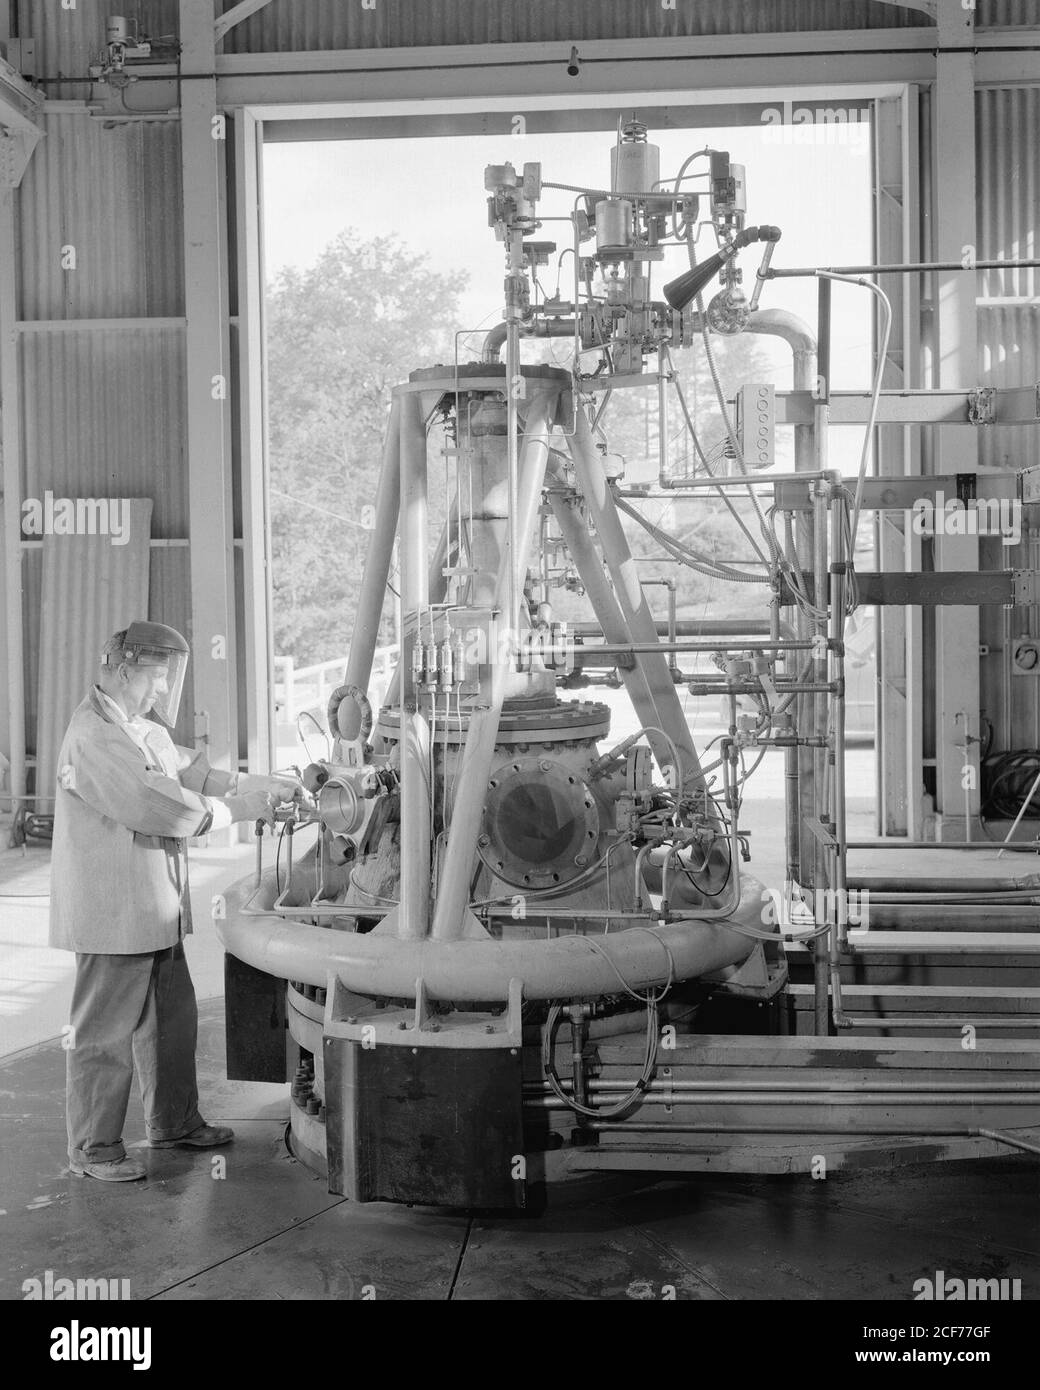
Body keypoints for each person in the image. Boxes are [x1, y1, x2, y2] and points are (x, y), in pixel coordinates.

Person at [49, 621, 309, 1182]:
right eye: (158, 676)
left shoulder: (139, 729)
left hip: (153, 909)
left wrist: (263, 782)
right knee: (105, 1034)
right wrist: (244, 809)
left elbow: (193, 772)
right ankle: (93, 1149)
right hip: (112, 914)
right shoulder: (94, 736)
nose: (165, 689)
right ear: (123, 670)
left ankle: (173, 1122)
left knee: (172, 1020)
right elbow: (158, 803)